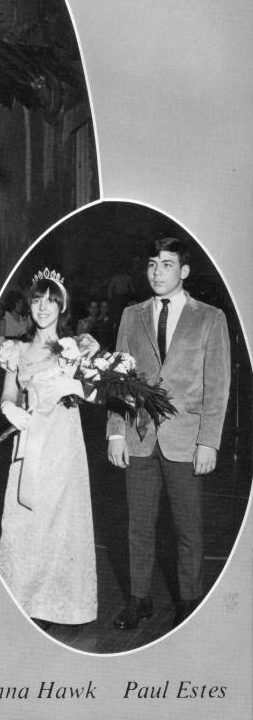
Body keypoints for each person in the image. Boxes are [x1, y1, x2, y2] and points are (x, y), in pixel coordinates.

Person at [107, 236, 231, 630]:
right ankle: (139, 599)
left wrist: (208, 441)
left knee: (188, 529)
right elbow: (118, 378)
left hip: (186, 441)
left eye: (166, 264)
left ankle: (189, 603)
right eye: (152, 264)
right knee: (138, 526)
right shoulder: (132, 316)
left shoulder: (209, 318)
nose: (157, 272)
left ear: (184, 270)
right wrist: (116, 432)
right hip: (140, 438)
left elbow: (218, 387)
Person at [0, 270, 98, 629]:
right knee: (25, 516)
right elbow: (9, 392)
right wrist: (9, 408)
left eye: (50, 301)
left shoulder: (75, 346)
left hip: (63, 440)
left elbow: (95, 392)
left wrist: (79, 386)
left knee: (60, 518)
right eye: (37, 301)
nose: (42, 308)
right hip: (30, 437)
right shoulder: (17, 348)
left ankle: (55, 605)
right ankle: (24, 599)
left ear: (62, 306)